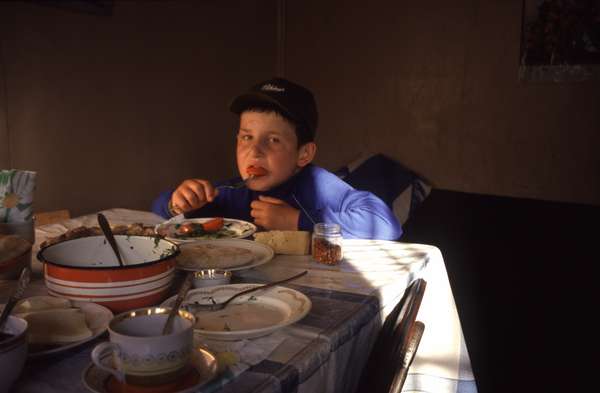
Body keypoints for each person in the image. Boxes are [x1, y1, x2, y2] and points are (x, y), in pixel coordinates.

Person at [151, 77, 402, 240]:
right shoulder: (232, 191)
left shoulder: (317, 185)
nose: (255, 151)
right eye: (246, 137)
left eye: (273, 140)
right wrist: (177, 203)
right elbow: (159, 209)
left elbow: (385, 223)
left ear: (303, 154)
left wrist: (296, 220)